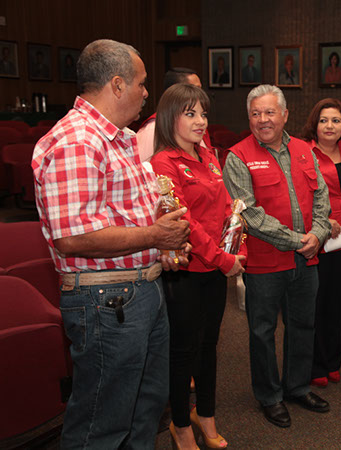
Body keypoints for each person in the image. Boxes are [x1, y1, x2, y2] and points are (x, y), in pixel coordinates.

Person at [31, 39, 191, 449]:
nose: (145, 92)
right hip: (108, 299)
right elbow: (74, 237)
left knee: (145, 406)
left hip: (139, 289)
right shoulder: (77, 142)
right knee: (103, 419)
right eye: (141, 83)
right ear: (117, 85)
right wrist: (155, 236)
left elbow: (128, 216)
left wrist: (162, 242)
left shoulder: (117, 138)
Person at [224, 85, 332, 427]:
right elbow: (250, 215)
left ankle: (297, 387)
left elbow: (322, 199)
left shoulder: (305, 150)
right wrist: (298, 239)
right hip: (265, 261)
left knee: (303, 325)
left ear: (285, 115)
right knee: (262, 331)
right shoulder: (237, 156)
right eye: (255, 113)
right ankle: (269, 395)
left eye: (270, 112)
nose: (262, 120)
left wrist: (319, 233)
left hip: (307, 258)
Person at [150, 83, 246, 450]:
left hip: (215, 270)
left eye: (203, 113)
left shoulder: (209, 156)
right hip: (187, 273)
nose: (201, 121)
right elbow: (185, 221)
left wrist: (238, 248)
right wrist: (224, 259)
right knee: (183, 351)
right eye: (191, 113)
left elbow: (224, 209)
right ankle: (179, 424)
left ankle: (205, 414)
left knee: (210, 346)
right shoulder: (164, 162)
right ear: (170, 118)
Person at [300, 98, 341, 387]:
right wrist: (323, 221)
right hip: (319, 238)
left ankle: (332, 361)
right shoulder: (305, 154)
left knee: (336, 304)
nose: (330, 126)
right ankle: (313, 364)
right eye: (324, 120)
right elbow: (301, 197)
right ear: (315, 125)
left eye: (336, 120)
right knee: (315, 304)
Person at [136, 67, 204, 162]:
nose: (200, 94)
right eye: (194, 89)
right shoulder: (152, 129)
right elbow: (142, 168)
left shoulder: (198, 124)